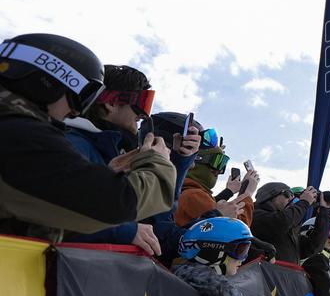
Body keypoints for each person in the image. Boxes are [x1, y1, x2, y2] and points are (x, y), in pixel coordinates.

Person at [0, 33, 175, 242]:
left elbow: (45, 211)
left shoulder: (15, 131)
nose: (76, 112)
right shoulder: (19, 134)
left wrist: (100, 175)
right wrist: (159, 165)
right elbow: (115, 204)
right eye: (81, 97)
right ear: (49, 83)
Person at [63, 71, 199, 256]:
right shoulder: (74, 145)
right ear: (111, 103)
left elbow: (158, 209)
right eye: (141, 102)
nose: (144, 114)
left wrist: (179, 160)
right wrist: (126, 231)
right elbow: (60, 209)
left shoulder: (113, 151)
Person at [173, 217, 253, 296]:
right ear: (213, 252)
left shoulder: (196, 275)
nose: (243, 259)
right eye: (241, 250)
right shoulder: (187, 272)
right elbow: (218, 287)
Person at [174, 129, 257, 227]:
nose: (218, 171)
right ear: (196, 162)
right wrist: (247, 194)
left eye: (222, 164)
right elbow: (238, 229)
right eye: (216, 163)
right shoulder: (194, 195)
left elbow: (211, 210)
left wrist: (229, 191)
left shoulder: (185, 190)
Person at [251, 182, 330, 263]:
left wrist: (325, 211)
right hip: (263, 274)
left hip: (282, 275)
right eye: (287, 194)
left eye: (292, 196)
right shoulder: (255, 215)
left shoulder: (288, 229)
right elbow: (282, 222)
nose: (291, 199)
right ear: (269, 196)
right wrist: (304, 202)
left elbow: (313, 247)